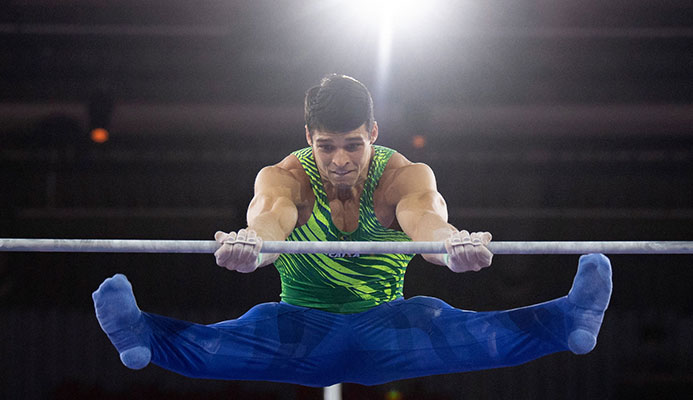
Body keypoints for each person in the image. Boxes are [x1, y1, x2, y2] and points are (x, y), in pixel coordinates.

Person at [92, 74, 612, 387]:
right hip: (301, 331)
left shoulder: (403, 177)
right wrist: (253, 249)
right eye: (326, 146)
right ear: (308, 138)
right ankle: (139, 334)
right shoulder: (285, 177)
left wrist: (451, 249)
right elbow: (269, 219)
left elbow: (426, 223)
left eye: (353, 145)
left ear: (374, 134)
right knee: (227, 342)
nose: (339, 161)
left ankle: (569, 319)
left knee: (458, 327)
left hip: (389, 329)